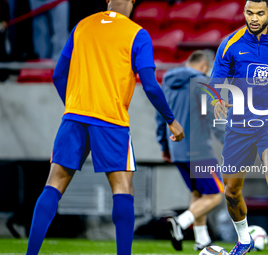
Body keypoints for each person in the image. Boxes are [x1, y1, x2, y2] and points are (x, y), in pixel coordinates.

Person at [25, 0, 184, 255]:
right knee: (123, 188)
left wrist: (75, 104)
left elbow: (58, 75)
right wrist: (171, 120)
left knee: (53, 184)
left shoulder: (83, 26)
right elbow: (151, 85)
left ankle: (30, 253)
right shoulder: (137, 34)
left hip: (74, 117)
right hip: (110, 121)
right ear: (133, 1)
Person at [208, 0, 268, 254]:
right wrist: (216, 100)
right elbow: (216, 80)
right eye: (249, 12)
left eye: (259, 13)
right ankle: (244, 239)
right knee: (231, 192)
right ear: (244, 13)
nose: (254, 18)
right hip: (239, 126)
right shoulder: (230, 45)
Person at [156, 51, 225, 251]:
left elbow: (161, 116)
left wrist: (164, 146)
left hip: (177, 149)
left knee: (198, 192)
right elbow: (214, 115)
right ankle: (182, 222)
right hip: (200, 151)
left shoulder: (168, 81)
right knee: (215, 195)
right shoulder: (203, 82)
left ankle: (201, 239)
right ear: (204, 65)